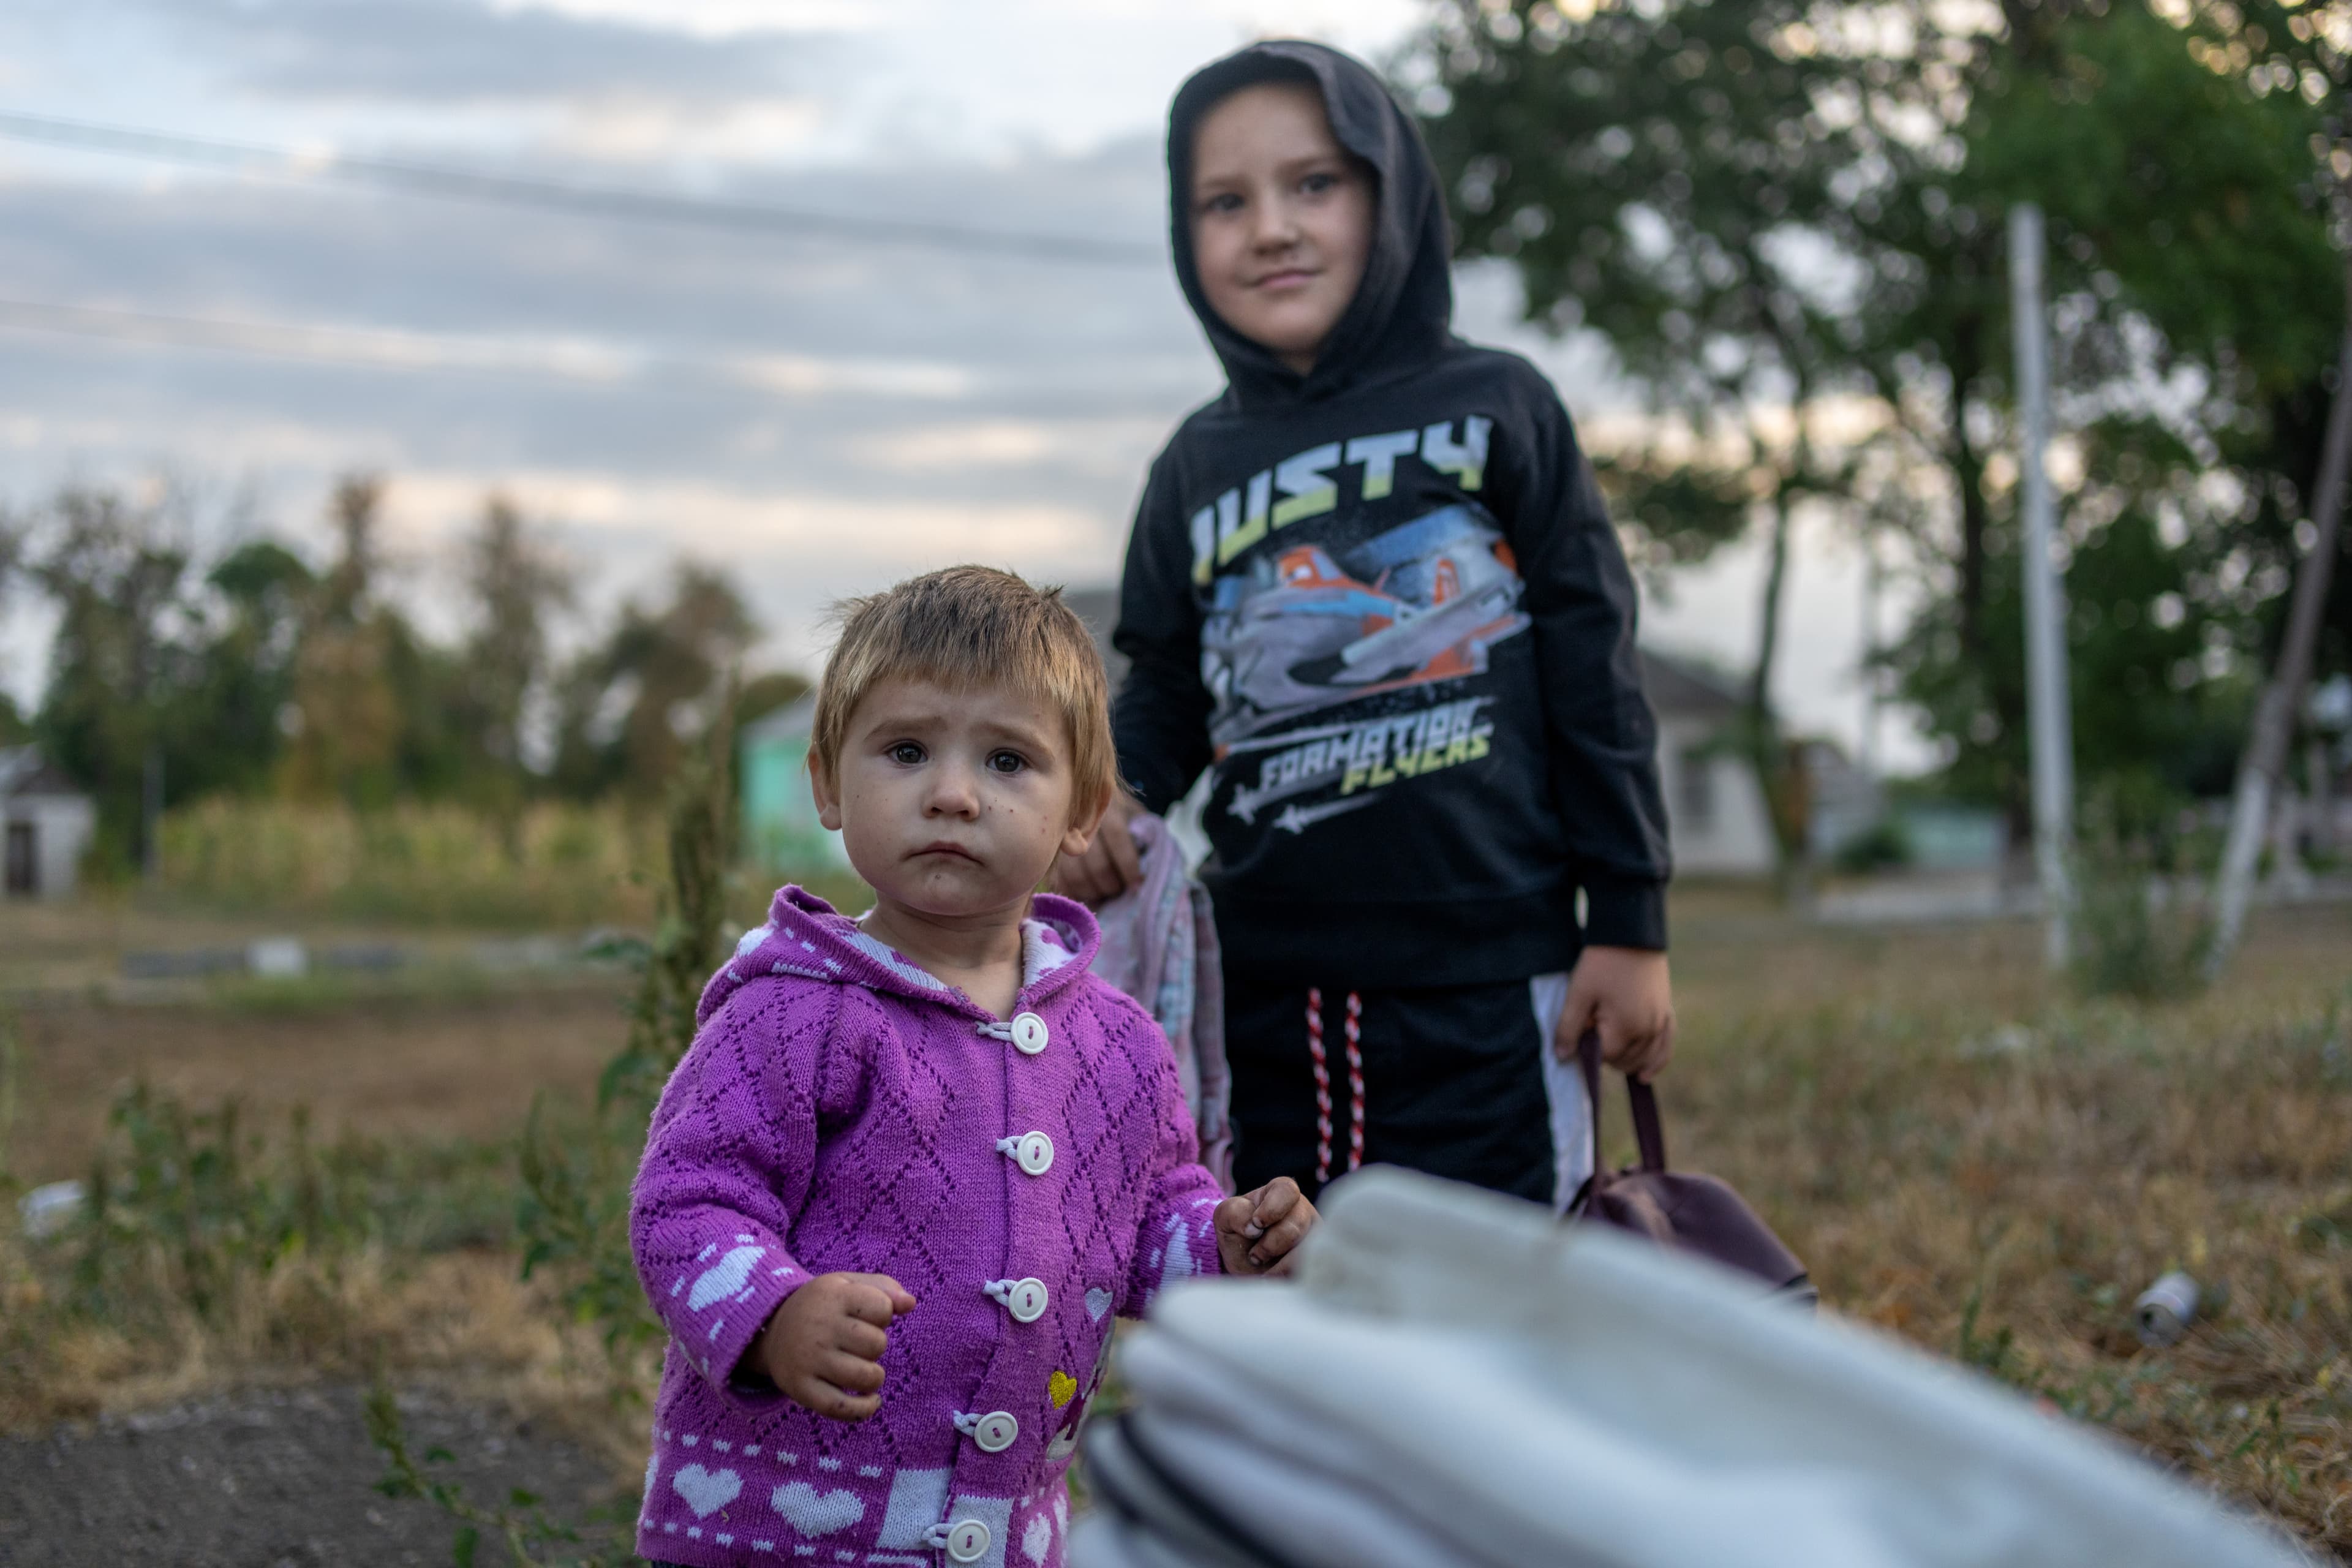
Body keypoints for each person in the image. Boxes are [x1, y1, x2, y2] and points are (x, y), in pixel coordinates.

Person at [1052, 41, 1676, 1210]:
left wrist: (1629, 923)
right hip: (1265, 990)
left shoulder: (1498, 407)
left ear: (1392, 196)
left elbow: (1595, 670)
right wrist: (1110, 787)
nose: (1272, 228)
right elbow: (1168, 682)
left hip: (1495, 984)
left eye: (1315, 185)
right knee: (1292, 1303)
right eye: (1225, 203)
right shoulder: (1198, 463)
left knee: (1507, 1304)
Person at [630, 566, 1314, 1568]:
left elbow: (1144, 1228)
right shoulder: (792, 1009)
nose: (952, 794)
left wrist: (1222, 1245)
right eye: (906, 751)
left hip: (1004, 1536)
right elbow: (686, 1207)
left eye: (1007, 761)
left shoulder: (1119, 1046)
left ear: (1083, 811)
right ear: (828, 780)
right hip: (774, 1530)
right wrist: (774, 1316)